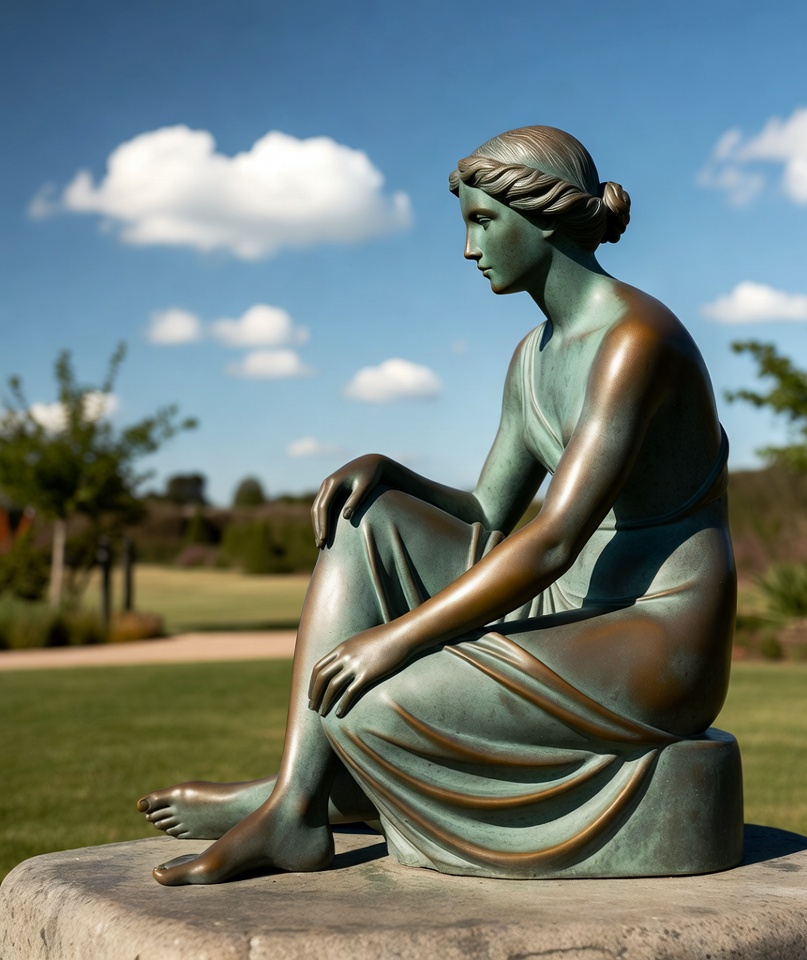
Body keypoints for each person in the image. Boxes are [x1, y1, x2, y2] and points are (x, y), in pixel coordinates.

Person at [138, 126, 737, 886]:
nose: (468, 248)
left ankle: (316, 791)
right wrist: (392, 476)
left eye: (483, 222)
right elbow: (488, 511)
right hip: (567, 607)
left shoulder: (635, 341)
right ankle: (294, 803)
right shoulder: (532, 358)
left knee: (368, 705)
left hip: (655, 632)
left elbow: (553, 539)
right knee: (365, 515)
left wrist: (393, 641)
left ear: (542, 219)